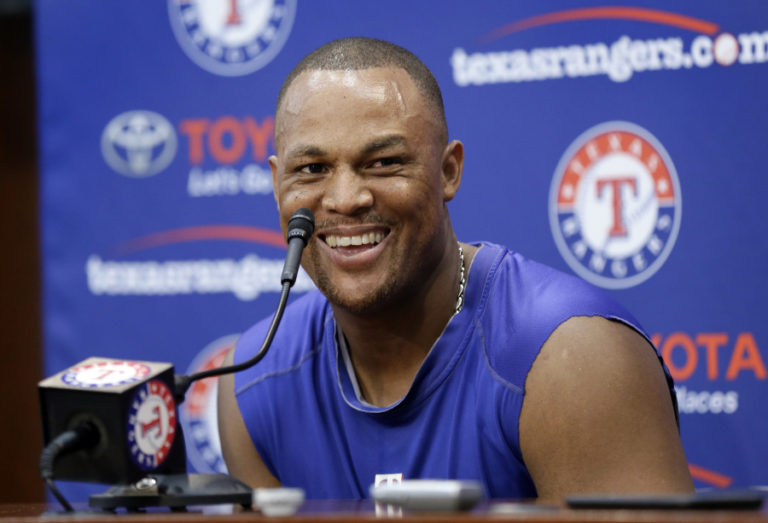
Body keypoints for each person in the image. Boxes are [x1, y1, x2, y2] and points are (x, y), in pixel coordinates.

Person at [217, 37, 694, 502]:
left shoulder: (571, 358)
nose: (345, 199)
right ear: (277, 183)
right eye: (312, 169)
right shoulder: (253, 381)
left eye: (384, 162)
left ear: (448, 171)